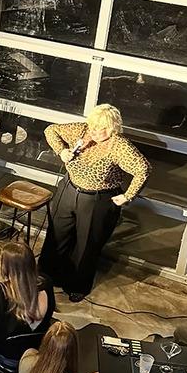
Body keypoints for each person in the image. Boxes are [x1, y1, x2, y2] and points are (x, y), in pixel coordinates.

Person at [40, 104, 151, 302]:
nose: (96, 132)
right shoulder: (81, 129)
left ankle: (77, 285)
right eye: (93, 127)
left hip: (97, 200)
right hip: (69, 189)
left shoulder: (120, 146)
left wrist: (128, 196)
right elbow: (51, 130)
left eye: (103, 128)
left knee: (86, 246)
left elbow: (143, 169)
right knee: (57, 234)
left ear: (114, 127)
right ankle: (46, 276)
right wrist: (62, 151)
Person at [0, 242, 55, 366]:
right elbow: (23, 292)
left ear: (6, 268)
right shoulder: (46, 282)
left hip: (8, 356)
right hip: (35, 349)